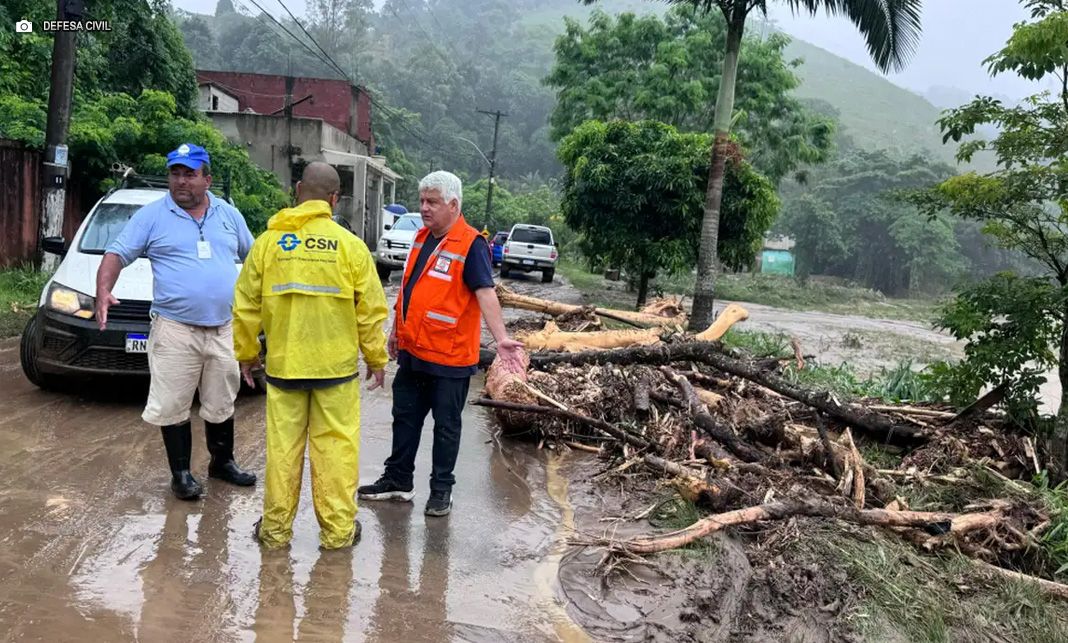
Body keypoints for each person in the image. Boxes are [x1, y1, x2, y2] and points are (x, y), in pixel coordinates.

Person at [232, 162, 389, 549]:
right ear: (335, 200)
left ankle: (274, 532)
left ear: (298, 190)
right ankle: (337, 535)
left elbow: (245, 305)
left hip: (285, 369)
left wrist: (248, 354)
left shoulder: (269, 243)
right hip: (335, 373)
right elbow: (370, 308)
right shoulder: (350, 247)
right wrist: (376, 358)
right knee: (336, 452)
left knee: (283, 453)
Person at [357, 171, 524, 517]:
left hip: (449, 360)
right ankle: (398, 480)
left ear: (453, 204)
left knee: (446, 428)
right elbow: (409, 289)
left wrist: (502, 337)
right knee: (404, 419)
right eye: (422, 201)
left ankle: (441, 491)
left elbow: (485, 293)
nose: (424, 208)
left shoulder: (471, 244)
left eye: (432, 202)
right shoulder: (420, 238)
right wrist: (395, 331)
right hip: (414, 354)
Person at [96, 143, 256, 500]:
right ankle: (181, 473)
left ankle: (222, 463)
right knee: (173, 403)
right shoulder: (151, 216)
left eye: (190, 174)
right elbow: (116, 254)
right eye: (175, 173)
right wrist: (103, 290)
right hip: (175, 328)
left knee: (221, 400)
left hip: (223, 327)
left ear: (207, 179)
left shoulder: (229, 215)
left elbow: (255, 257)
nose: (181, 181)